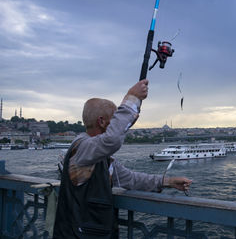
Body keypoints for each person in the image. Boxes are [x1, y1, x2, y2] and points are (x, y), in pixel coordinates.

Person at [53, 79, 192, 238]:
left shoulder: (100, 157)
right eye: (114, 119)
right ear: (102, 121)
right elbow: (112, 140)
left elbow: (130, 179)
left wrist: (168, 182)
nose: (116, 125)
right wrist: (131, 97)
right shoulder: (82, 148)